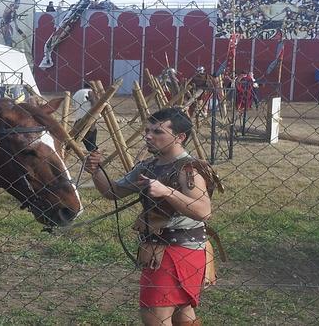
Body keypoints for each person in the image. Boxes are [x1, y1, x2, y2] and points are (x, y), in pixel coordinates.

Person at [85, 108, 216, 326]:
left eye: (157, 131)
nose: (148, 136)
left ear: (180, 137)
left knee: (154, 317)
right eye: (147, 130)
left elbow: (203, 211)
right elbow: (113, 192)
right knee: (182, 316)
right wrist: (97, 171)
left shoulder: (188, 169)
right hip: (162, 250)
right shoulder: (148, 167)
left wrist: (167, 191)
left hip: (178, 251)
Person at [72, 82, 98, 151]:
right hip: (88, 120)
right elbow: (95, 105)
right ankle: (94, 153)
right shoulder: (90, 92)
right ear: (92, 87)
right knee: (90, 142)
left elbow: (74, 104)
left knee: (74, 139)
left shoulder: (77, 93)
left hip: (78, 119)